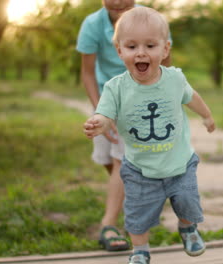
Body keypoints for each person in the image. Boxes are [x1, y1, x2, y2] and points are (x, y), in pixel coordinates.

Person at [83, 6, 215, 264]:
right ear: (119, 51)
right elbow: (106, 113)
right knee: (137, 213)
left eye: (150, 46)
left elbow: (192, 97)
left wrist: (207, 115)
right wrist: (99, 123)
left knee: (187, 201)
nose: (141, 52)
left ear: (165, 50)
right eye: (132, 47)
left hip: (178, 163)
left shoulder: (175, 79)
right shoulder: (115, 88)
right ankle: (140, 250)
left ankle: (188, 229)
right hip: (140, 168)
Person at [76, 0, 171, 251]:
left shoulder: (151, 19)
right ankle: (142, 202)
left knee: (122, 162)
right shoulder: (93, 25)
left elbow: (165, 62)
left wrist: (163, 101)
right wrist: (100, 111)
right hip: (107, 97)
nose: (118, 1)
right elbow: (86, 72)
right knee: (108, 160)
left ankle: (110, 224)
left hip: (140, 98)